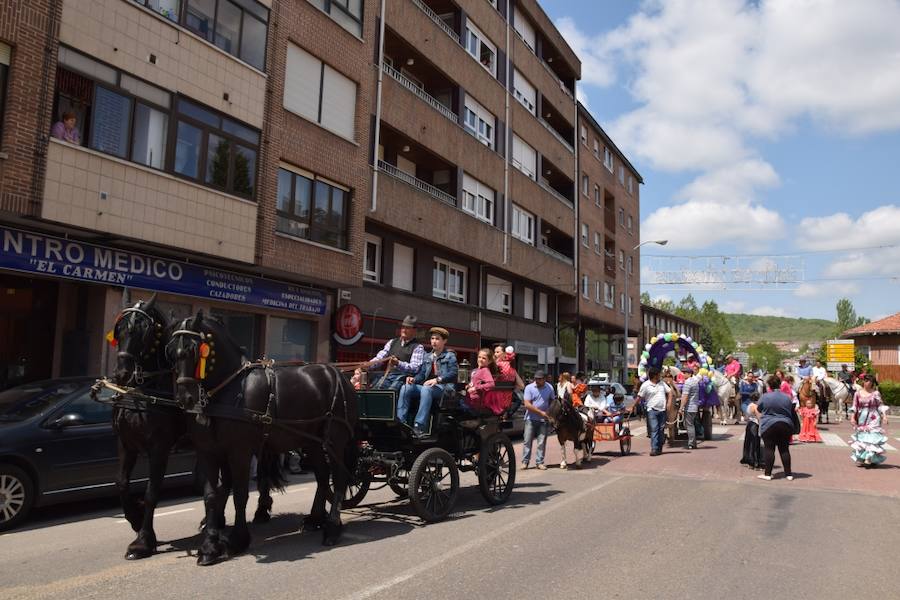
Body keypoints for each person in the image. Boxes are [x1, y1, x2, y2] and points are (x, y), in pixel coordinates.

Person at [397, 327, 457, 438]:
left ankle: (419, 426)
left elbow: (453, 373)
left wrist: (437, 379)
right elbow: (422, 374)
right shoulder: (427, 356)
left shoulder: (450, 356)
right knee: (406, 387)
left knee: (426, 389)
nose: (434, 341)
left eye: (437, 339)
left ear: (444, 341)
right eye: (432, 338)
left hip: (444, 387)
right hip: (428, 387)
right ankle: (401, 422)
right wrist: (413, 379)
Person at [750, 375, 795, 481]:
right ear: (779, 384)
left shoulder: (765, 396)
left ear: (769, 385)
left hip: (769, 425)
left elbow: (759, 409)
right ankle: (788, 474)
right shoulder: (787, 397)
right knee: (784, 449)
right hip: (785, 424)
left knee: (769, 449)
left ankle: (768, 474)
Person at [366, 315, 424, 391]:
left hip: (403, 378)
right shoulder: (392, 342)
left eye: (408, 328)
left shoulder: (418, 347)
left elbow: (415, 368)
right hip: (389, 376)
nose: (404, 330)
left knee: (391, 391)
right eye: (403, 327)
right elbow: (380, 358)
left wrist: (398, 363)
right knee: (376, 389)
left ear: (414, 331)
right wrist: (368, 365)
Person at [849, 374, 890, 467]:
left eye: (869, 381)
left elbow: (880, 405)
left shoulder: (876, 393)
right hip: (862, 416)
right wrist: (852, 417)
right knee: (863, 437)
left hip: (874, 416)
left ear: (872, 383)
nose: (866, 383)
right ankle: (861, 457)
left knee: (872, 437)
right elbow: (854, 406)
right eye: (865, 380)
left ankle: (869, 457)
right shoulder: (857, 393)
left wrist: (884, 416)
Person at [522, 370, 554, 470]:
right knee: (527, 441)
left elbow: (552, 401)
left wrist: (549, 412)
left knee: (541, 442)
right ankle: (525, 462)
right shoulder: (529, 388)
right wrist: (541, 413)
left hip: (543, 420)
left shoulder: (550, 387)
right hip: (530, 419)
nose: (537, 380)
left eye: (539, 379)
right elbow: (527, 404)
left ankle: (539, 462)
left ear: (544, 379)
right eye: (536, 378)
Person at [638, 367, 672, 456]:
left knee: (661, 429)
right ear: (654, 376)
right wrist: (633, 407)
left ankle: (659, 446)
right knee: (654, 429)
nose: (660, 376)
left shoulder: (662, 384)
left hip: (662, 410)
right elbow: (639, 396)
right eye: (658, 374)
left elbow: (670, 392)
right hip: (651, 410)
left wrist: (668, 403)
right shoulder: (645, 385)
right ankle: (654, 448)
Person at [465, 348, 508, 415]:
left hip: (475, 403)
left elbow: (491, 384)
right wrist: (469, 386)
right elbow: (474, 382)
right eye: (479, 357)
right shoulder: (476, 370)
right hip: (470, 400)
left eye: (484, 358)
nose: (480, 360)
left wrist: (475, 388)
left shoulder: (485, 370)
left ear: (489, 361)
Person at [494, 344, 524, 418]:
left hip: (495, 403)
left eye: (498, 352)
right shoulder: (511, 367)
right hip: (506, 405)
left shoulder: (496, 365)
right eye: (495, 352)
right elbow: (522, 386)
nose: (495, 354)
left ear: (505, 353)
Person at [740, 376, 763, 470]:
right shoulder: (755, 406)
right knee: (755, 444)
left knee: (748, 443)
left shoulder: (749, 405)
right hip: (754, 425)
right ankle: (755, 462)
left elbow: (746, 417)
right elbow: (759, 417)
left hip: (749, 424)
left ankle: (748, 460)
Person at [679, 364, 702, 449]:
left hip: (689, 407)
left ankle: (691, 443)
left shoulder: (688, 383)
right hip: (694, 407)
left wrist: (681, 408)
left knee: (689, 425)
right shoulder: (695, 382)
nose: (683, 374)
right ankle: (693, 442)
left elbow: (685, 396)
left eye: (684, 373)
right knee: (691, 425)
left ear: (689, 374)